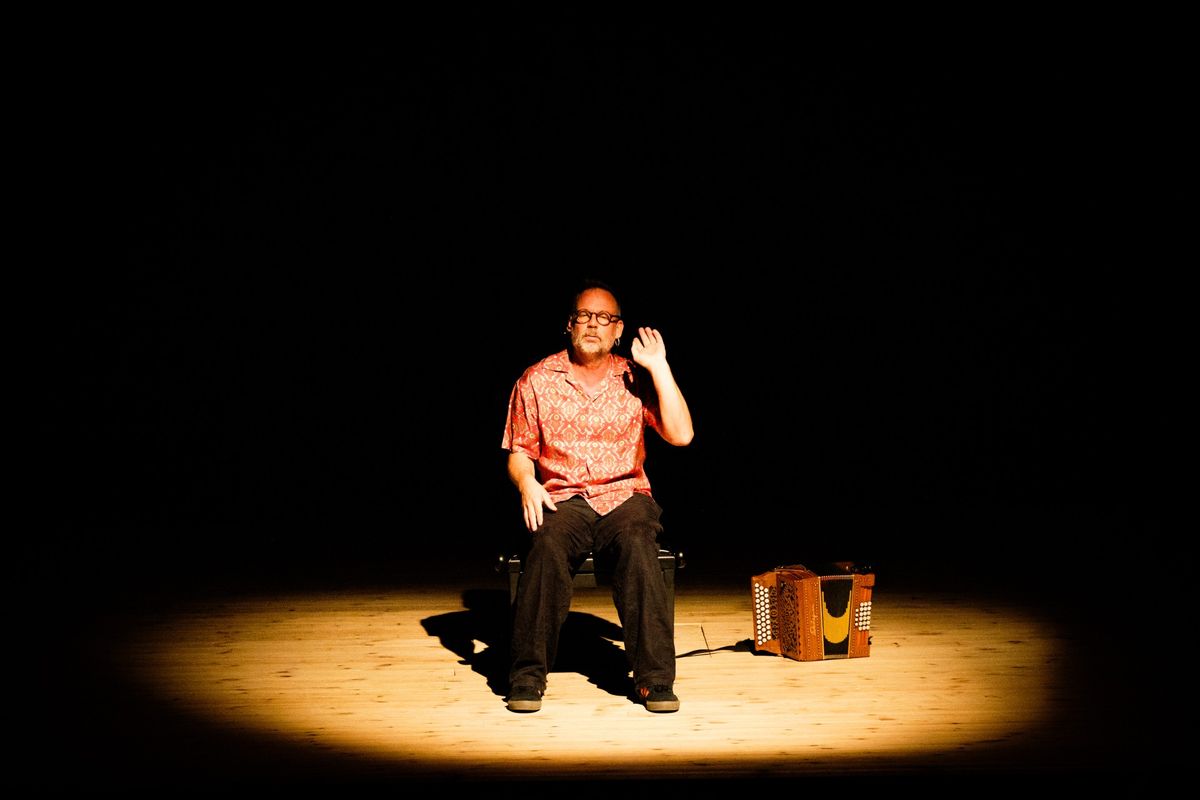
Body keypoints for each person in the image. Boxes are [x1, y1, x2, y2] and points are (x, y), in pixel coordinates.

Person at [501, 279, 694, 713]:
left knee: (639, 542)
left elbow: (682, 435)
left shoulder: (634, 377)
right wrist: (527, 483)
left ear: (617, 330)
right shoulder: (537, 379)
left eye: (604, 318)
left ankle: (654, 680)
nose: (593, 324)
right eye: (584, 316)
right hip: (562, 496)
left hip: (624, 494)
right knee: (547, 544)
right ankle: (527, 677)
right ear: (569, 324)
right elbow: (519, 452)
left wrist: (659, 367)